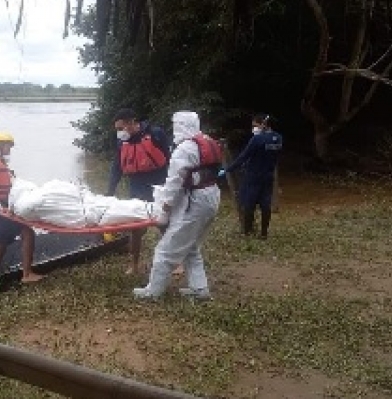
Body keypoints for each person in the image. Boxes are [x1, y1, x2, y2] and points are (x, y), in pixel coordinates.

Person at [133, 111, 220, 300]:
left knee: (165, 250)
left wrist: (165, 209)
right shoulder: (207, 141)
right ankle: (200, 290)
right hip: (211, 197)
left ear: (180, 125)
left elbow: (174, 183)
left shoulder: (184, 149)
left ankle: (153, 292)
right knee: (191, 247)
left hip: (195, 202)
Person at [0, 131, 44, 282]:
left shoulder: (4, 165)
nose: (9, 148)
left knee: (2, 244)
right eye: (7, 145)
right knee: (27, 233)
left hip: (6, 210)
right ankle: (26, 275)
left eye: (10, 145)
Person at [107, 108, 171, 275]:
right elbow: (116, 168)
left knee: (165, 224)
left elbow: (171, 159)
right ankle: (134, 264)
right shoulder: (122, 143)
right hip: (137, 186)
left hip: (159, 186)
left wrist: (174, 187)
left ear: (131, 122)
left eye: (121, 128)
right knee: (135, 228)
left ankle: (176, 263)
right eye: (117, 129)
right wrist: (109, 192)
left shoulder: (156, 134)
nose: (119, 132)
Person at [224, 114, 282, 239]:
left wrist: (228, 169)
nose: (254, 128)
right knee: (265, 204)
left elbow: (244, 156)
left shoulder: (257, 140)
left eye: (255, 125)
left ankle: (247, 232)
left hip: (253, 176)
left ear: (263, 124)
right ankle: (264, 233)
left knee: (248, 203)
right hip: (268, 176)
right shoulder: (278, 138)